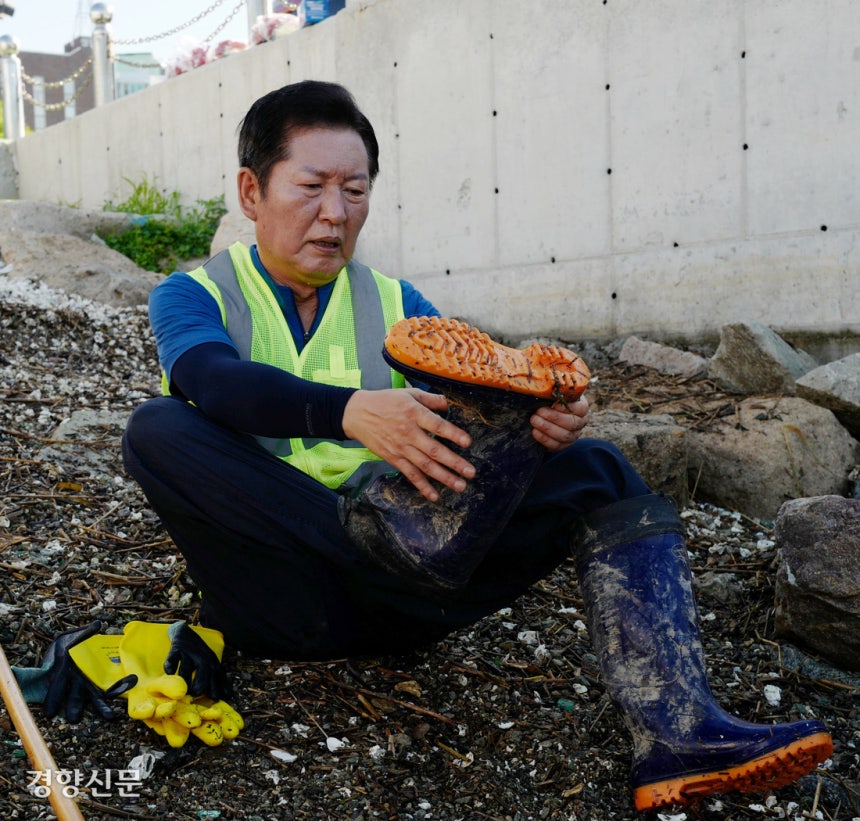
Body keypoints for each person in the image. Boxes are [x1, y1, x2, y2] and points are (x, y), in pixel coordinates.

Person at [121, 80, 832, 811]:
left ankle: (679, 734)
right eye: (311, 187)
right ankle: (373, 540)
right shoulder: (195, 293)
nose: (335, 213)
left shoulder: (399, 307)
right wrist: (354, 413)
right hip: (279, 599)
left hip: (407, 585)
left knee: (598, 467)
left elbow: (493, 397)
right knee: (157, 427)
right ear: (251, 190)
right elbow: (215, 382)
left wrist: (541, 420)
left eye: (355, 190)